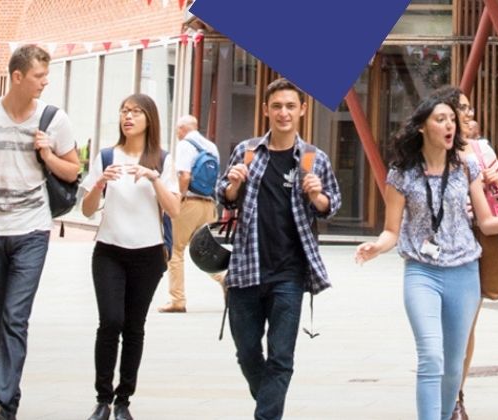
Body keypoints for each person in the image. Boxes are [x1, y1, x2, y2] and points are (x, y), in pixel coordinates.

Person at [354, 88, 498, 420]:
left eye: (453, 119)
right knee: (430, 358)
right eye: (441, 119)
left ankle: (446, 412)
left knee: (452, 365)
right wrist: (376, 247)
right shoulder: (401, 173)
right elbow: (392, 230)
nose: (450, 125)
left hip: (464, 273)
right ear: (422, 126)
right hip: (422, 272)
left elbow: (487, 223)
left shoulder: (467, 167)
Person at [215, 78, 341, 420]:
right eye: (277, 106)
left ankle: (266, 416)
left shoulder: (314, 158)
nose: (283, 113)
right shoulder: (248, 151)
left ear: (302, 110)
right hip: (247, 268)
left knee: (282, 356)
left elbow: (331, 204)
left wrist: (317, 195)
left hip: (289, 272)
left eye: (290, 106)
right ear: (266, 110)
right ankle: (267, 404)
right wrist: (233, 185)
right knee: (247, 352)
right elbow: (223, 196)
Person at [80, 93, 180, 420]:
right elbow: (87, 210)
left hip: (148, 255)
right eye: (124, 111)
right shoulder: (107, 156)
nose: (128, 117)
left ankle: (124, 401)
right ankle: (102, 400)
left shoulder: (162, 160)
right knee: (110, 322)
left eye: (136, 112)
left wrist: (153, 178)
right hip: (109, 251)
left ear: (149, 119)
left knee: (134, 326)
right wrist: (99, 185)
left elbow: (175, 209)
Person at [0, 45, 79, 420]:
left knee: (15, 316)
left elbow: (73, 172)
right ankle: (5, 397)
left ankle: (1, 400)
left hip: (31, 229)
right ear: (17, 77)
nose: (45, 82)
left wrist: (47, 155)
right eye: (38, 76)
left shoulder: (53, 119)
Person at [441, 88, 498, 420]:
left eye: (469, 109)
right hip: (439, 246)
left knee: (465, 326)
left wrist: (496, 180)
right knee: (439, 329)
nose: (469, 115)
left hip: (475, 243)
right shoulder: (434, 151)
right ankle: (442, 392)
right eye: (463, 109)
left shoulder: (481, 149)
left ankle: (456, 395)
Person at [159, 115, 222, 313]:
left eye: (177, 130)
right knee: (206, 252)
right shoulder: (211, 147)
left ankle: (177, 299)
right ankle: (226, 278)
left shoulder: (185, 145)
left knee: (176, 250)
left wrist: (179, 197)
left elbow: (184, 175)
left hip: (189, 204)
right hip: (209, 205)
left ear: (182, 129)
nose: (177, 134)